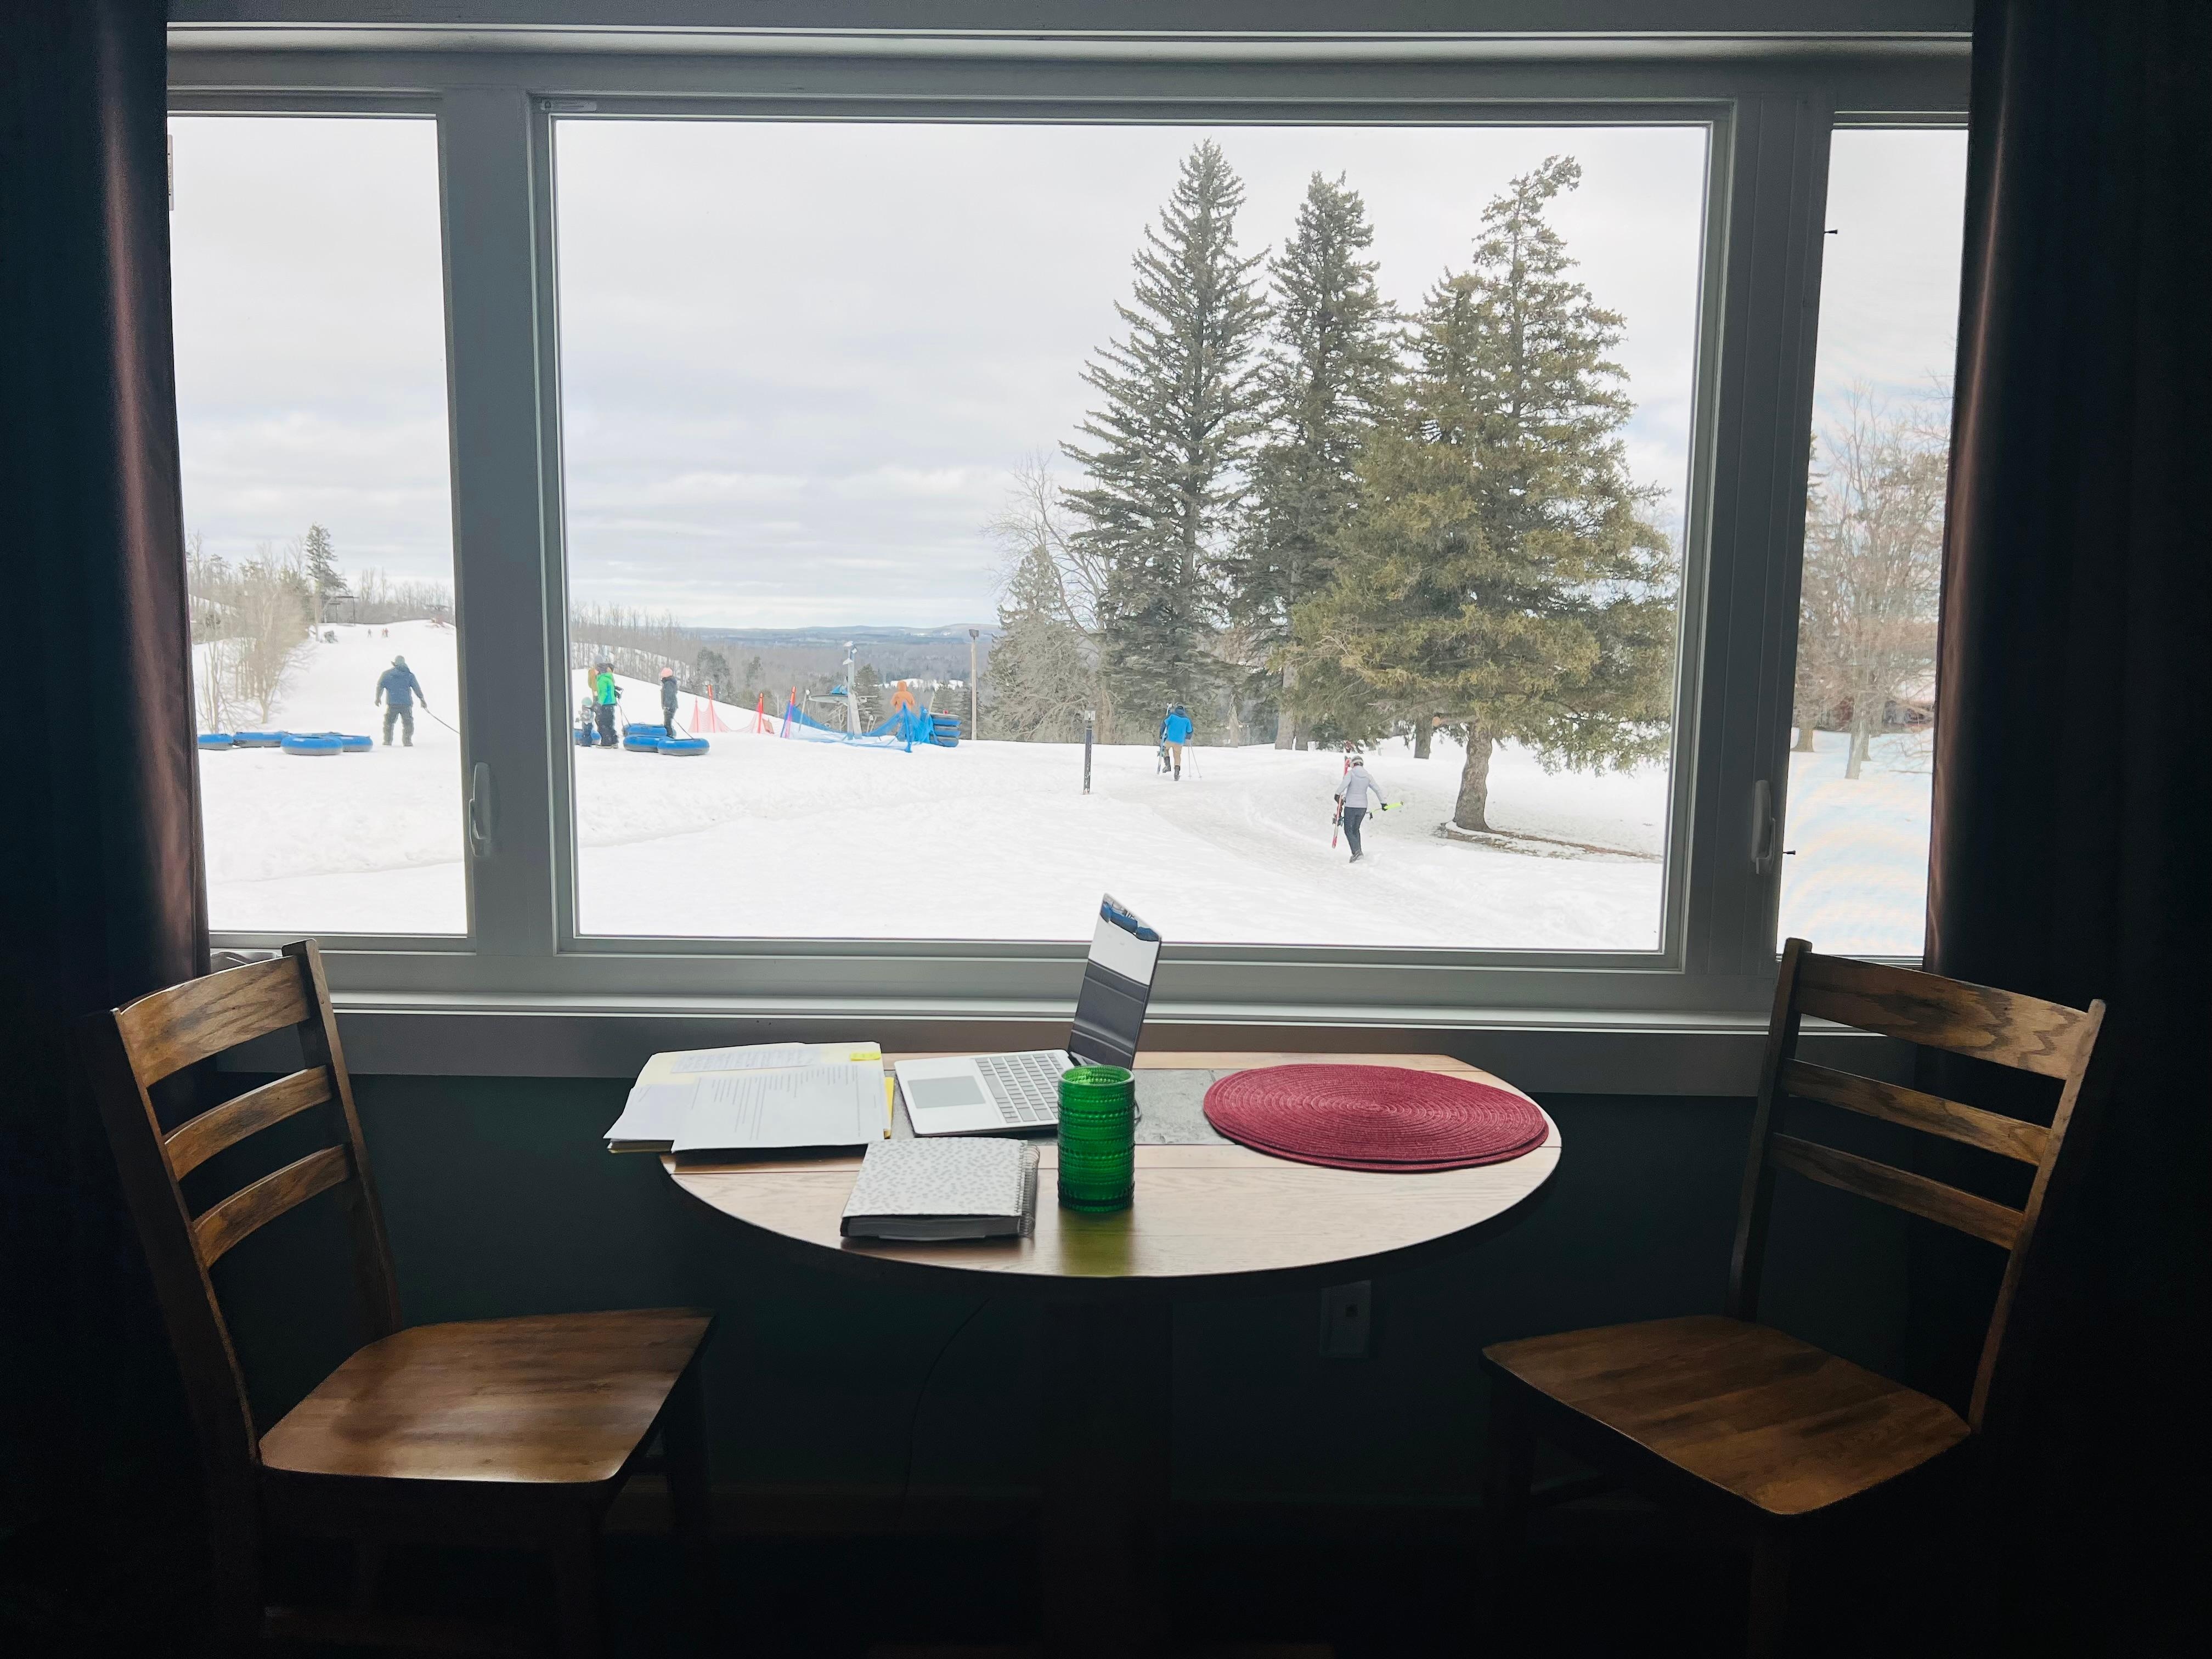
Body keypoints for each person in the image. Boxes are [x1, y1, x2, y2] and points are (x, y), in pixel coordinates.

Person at [1335, 753, 1385, 862]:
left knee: (1348, 830)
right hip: (1363, 807)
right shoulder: (1368, 776)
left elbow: (1344, 785)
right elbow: (1377, 789)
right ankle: (1358, 851)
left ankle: (1357, 853)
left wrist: (1337, 794)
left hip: (1351, 806)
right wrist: (1383, 803)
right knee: (1356, 829)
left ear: (1353, 764)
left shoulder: (1351, 774)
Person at [373, 653, 427, 747]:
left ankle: (387, 741)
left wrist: (378, 698)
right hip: (406, 704)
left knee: (389, 723)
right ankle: (407, 741)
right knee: (408, 723)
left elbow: (380, 686)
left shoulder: (387, 674)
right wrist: (422, 700)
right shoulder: (409, 675)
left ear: (395, 664)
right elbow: (417, 688)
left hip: (392, 703)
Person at [1160, 703, 1194, 780]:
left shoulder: (1172, 716)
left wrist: (1161, 734)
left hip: (1169, 739)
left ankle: (1167, 765)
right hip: (1180, 742)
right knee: (1177, 756)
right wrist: (1188, 737)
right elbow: (1190, 731)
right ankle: (1177, 773)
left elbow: (1164, 723)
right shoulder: (1187, 719)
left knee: (1164, 749)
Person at [592, 661, 620, 747]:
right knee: (609, 724)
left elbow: (604, 693)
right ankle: (614, 741)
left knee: (602, 723)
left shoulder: (602, 680)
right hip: (611, 705)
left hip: (605, 705)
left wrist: (599, 703)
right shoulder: (608, 679)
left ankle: (606, 742)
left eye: (596, 670)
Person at [659, 665, 680, 734]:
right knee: (668, 722)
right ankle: (669, 734)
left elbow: (669, 695)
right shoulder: (670, 683)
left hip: (670, 706)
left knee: (667, 723)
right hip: (672, 706)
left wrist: (667, 706)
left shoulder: (668, 684)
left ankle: (669, 735)